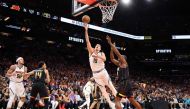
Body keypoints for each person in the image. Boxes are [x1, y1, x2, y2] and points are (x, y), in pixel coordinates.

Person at [84, 24, 117, 109]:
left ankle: (118, 100)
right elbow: (87, 41)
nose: (97, 46)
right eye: (96, 46)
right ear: (94, 47)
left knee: (110, 85)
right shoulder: (91, 52)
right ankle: (110, 103)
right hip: (95, 74)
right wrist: (86, 30)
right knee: (103, 90)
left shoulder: (102, 53)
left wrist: (97, 56)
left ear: (100, 48)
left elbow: (105, 59)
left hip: (102, 72)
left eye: (99, 46)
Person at [106, 36, 142, 109]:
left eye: (121, 56)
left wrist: (110, 43)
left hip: (124, 83)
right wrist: (111, 49)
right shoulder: (119, 64)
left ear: (123, 59)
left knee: (117, 100)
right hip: (127, 84)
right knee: (132, 100)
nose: (119, 57)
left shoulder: (124, 63)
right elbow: (112, 58)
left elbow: (117, 53)